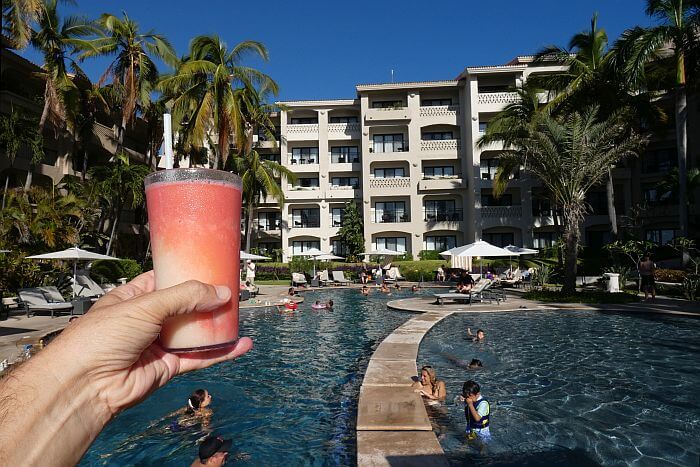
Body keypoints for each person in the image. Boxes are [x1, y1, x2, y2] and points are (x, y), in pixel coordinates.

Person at [0, 272, 253, 466]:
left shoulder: (188, 408)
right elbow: (204, 429)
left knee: (152, 434)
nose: (211, 397)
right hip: (183, 430)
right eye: (209, 396)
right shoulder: (204, 416)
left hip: (175, 425)